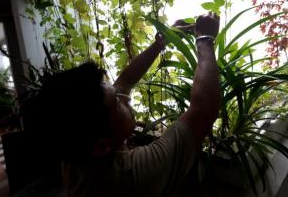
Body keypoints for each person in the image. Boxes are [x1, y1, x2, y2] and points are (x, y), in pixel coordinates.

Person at [23, 12, 221, 196]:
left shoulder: (73, 148)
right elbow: (203, 110)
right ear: (101, 146)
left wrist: (162, 41)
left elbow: (124, 82)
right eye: (118, 103)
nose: (125, 97)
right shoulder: (133, 175)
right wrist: (205, 40)